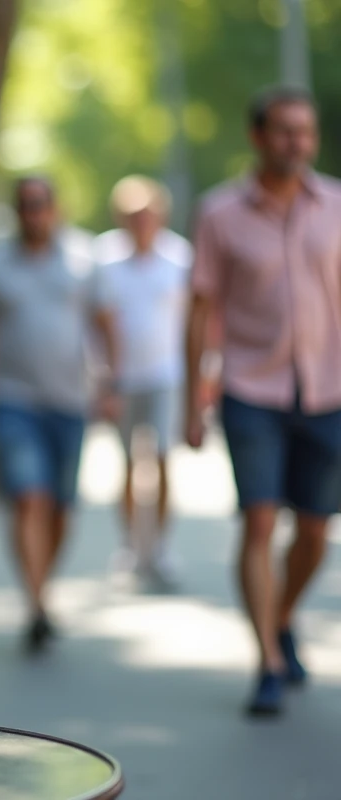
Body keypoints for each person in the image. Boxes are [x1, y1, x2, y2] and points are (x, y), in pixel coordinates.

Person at [185, 86, 341, 717]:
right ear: (257, 136)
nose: (296, 143)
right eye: (283, 131)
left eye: (305, 132)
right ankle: (268, 662)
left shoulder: (336, 204)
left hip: (329, 388)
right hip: (251, 387)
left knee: (313, 530)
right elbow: (200, 306)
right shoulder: (221, 213)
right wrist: (192, 397)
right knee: (257, 520)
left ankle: (280, 615)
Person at [0, 176, 118, 653]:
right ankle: (37, 602)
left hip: (71, 401)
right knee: (29, 498)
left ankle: (41, 586)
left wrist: (111, 383)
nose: (34, 213)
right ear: (16, 211)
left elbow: (106, 324)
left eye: (42, 204)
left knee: (61, 508)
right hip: (11, 399)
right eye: (26, 205)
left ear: (55, 208)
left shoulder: (84, 258)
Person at [96, 176, 190, 587]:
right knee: (128, 462)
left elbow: (195, 320)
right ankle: (131, 545)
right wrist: (103, 379)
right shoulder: (105, 259)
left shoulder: (179, 257)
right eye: (134, 216)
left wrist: (203, 376)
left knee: (165, 459)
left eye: (148, 214)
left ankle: (162, 547)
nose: (142, 222)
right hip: (122, 379)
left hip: (167, 374)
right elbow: (96, 324)